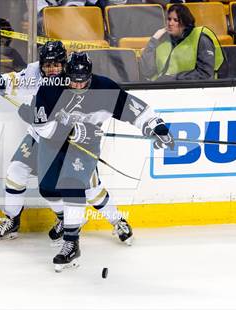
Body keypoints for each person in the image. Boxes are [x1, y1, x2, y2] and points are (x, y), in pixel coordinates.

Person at [32, 51, 174, 272]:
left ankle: (72, 242)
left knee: (74, 186)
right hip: (52, 145)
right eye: (73, 81)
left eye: (83, 82)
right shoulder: (50, 87)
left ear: (90, 76)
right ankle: (109, 219)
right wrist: (71, 130)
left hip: (86, 145)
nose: (78, 86)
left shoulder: (104, 88)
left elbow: (135, 109)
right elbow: (42, 128)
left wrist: (156, 126)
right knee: (50, 189)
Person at [0, 41, 134, 247]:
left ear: (65, 64)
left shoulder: (74, 80)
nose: (52, 69)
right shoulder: (36, 73)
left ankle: (117, 220)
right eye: (47, 65)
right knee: (18, 170)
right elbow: (16, 80)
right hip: (40, 137)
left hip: (73, 142)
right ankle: (13, 219)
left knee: (90, 189)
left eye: (57, 65)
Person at [139, 4, 224, 81]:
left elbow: (206, 74)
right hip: (161, 90)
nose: (170, 23)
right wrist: (153, 40)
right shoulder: (162, 40)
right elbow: (147, 71)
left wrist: (175, 78)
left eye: (175, 20)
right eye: (169, 19)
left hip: (193, 90)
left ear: (185, 22)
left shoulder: (200, 38)